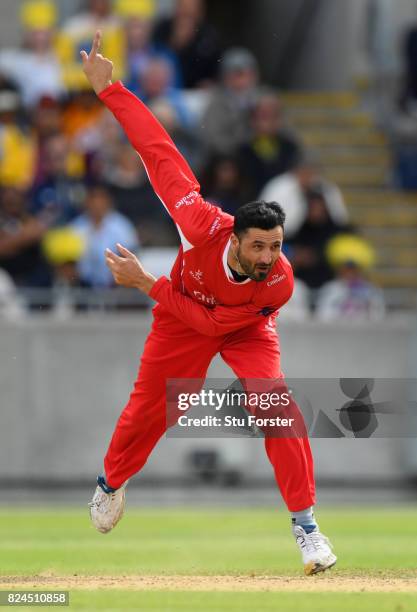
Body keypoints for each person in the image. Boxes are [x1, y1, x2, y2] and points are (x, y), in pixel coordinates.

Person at [81, 32, 337, 575]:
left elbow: (218, 322)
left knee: (277, 408)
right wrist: (112, 91)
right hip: (180, 317)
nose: (269, 257)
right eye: (259, 246)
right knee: (153, 409)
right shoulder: (198, 223)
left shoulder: (280, 282)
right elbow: (157, 149)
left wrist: (147, 283)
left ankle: (308, 529)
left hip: (237, 326)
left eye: (276, 246)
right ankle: (111, 482)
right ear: (236, 239)